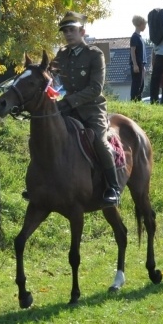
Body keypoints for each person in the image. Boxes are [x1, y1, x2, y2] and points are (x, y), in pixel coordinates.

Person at [53, 11, 120, 204]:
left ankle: (113, 187)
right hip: (68, 108)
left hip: (92, 108)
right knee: (46, 133)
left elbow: (95, 88)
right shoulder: (61, 55)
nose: (68, 34)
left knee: (99, 140)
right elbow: (51, 76)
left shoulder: (94, 54)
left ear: (82, 32)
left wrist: (68, 101)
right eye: (65, 31)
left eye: (72, 30)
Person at [129, 15, 147, 101]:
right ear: (140, 24)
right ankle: (134, 100)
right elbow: (132, 51)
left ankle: (139, 100)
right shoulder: (134, 37)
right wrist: (135, 65)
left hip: (141, 64)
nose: (145, 27)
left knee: (141, 85)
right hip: (137, 64)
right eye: (144, 24)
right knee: (136, 84)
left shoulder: (140, 37)